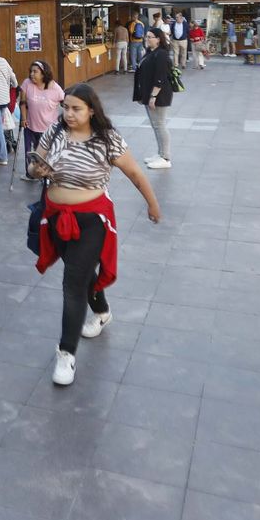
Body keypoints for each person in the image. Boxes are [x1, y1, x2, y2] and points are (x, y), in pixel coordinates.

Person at [28, 83, 160, 386]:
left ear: (91, 110)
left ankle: (66, 354)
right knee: (83, 275)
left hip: (91, 222)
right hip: (56, 217)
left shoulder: (107, 139)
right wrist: (38, 171)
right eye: (66, 107)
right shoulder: (55, 132)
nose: (69, 113)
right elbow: (35, 164)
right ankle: (101, 311)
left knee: (72, 283)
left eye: (76, 108)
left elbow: (136, 173)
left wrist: (152, 204)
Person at [133, 27, 176, 169]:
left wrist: (153, 96)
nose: (147, 39)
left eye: (150, 37)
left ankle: (165, 157)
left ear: (158, 39)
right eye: (146, 37)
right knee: (156, 125)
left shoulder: (161, 54)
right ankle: (160, 153)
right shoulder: (151, 52)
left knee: (160, 125)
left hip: (159, 95)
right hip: (150, 94)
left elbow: (160, 78)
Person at [18, 60, 64, 170]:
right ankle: (30, 173)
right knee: (30, 152)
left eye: (35, 72)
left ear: (44, 73)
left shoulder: (55, 88)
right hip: (30, 125)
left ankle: (45, 176)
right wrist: (23, 119)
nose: (31, 74)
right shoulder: (27, 83)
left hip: (48, 129)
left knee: (45, 155)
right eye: (31, 71)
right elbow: (22, 102)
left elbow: (65, 103)